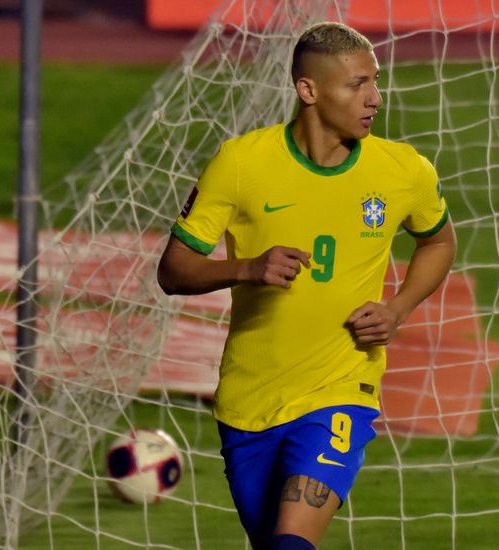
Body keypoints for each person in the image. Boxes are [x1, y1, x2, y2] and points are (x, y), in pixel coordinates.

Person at [158, 21, 456, 550]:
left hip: (341, 392)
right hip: (249, 402)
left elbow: (438, 242)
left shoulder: (403, 171)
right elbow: (173, 269)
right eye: (357, 84)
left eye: (375, 81)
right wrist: (247, 268)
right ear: (308, 91)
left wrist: (399, 308)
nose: (375, 98)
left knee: (294, 537)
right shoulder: (242, 163)